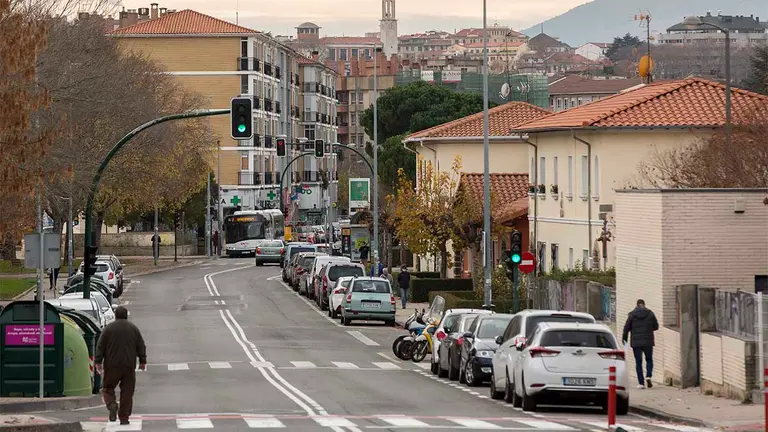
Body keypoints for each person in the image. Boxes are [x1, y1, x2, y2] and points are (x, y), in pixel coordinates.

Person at [95, 306, 147, 425]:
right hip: (129, 365)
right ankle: (124, 417)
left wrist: (98, 361)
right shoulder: (133, 329)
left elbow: (100, 345)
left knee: (108, 388)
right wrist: (142, 360)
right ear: (126, 316)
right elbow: (141, 345)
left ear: (116, 315)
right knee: (127, 392)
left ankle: (112, 404)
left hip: (112, 365)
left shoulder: (109, 329)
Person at [622, 299, 659, 389]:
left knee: (638, 362)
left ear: (637, 305)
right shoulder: (650, 313)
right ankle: (648, 376)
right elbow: (656, 326)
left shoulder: (631, 315)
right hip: (648, 341)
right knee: (649, 359)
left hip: (636, 343)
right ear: (644, 304)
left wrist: (625, 342)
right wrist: (649, 329)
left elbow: (626, 329)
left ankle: (641, 383)